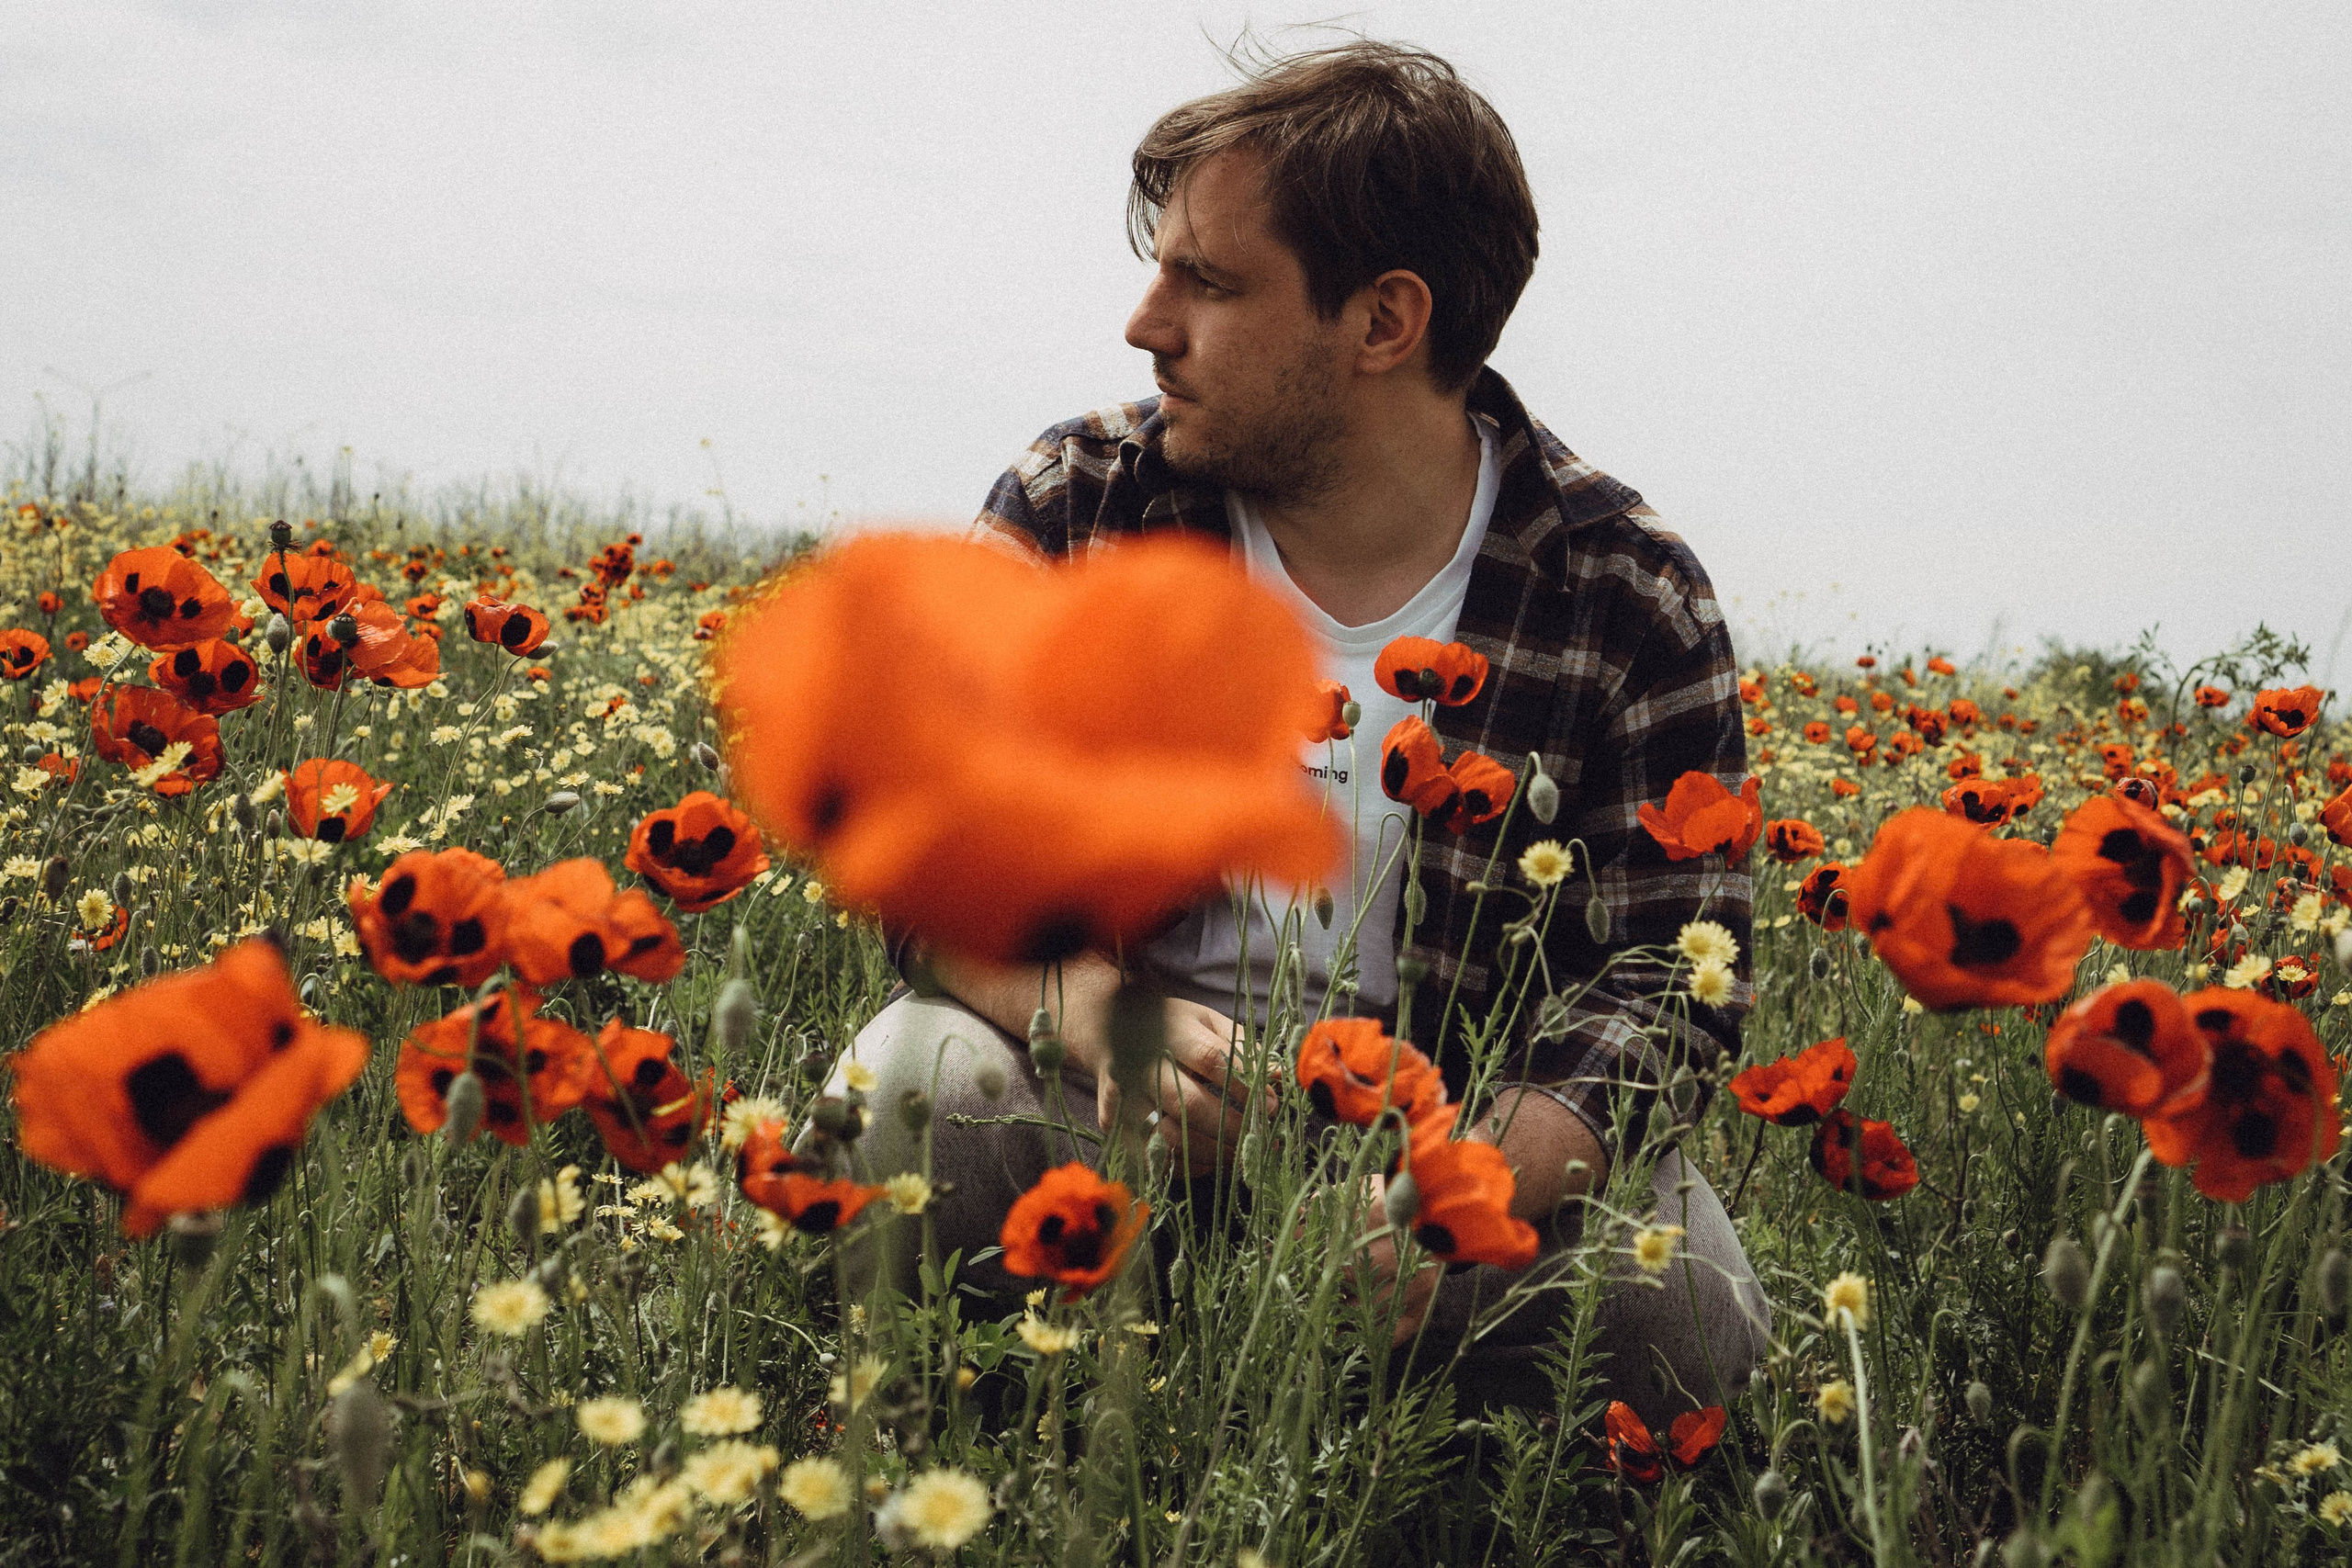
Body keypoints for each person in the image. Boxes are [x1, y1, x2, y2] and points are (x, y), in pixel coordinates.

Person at [814, 39, 1769, 1430]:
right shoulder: (1082, 506)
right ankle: (997, 1437)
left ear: (1383, 321)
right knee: (907, 1086)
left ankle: (1388, 1462)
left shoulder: (1621, 591)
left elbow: (1676, 984)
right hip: (1106, 1120)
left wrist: (1463, 1194)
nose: (1148, 323)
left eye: (1208, 280)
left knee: (1677, 1309)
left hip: (1435, 1171)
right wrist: (1081, 1008)